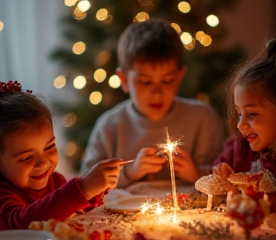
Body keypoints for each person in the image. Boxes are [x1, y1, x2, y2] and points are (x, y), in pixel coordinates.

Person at [81, 18, 224, 188]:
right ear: (124, 80)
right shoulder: (109, 126)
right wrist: (129, 172)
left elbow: (224, 178)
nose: (157, 93)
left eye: (167, 80)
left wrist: (196, 174)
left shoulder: (203, 119)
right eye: (145, 82)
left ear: (180, 77)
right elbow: (86, 184)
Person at [0, 81, 123, 233]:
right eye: (26, 158)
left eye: (50, 147)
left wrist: (94, 190)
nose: (44, 162)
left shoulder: (55, 181)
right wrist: (82, 189)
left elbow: (69, 208)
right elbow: (24, 224)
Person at [213, 38, 276, 212]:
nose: (241, 125)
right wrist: (220, 171)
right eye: (239, 114)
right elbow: (220, 167)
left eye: (252, 114)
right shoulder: (239, 147)